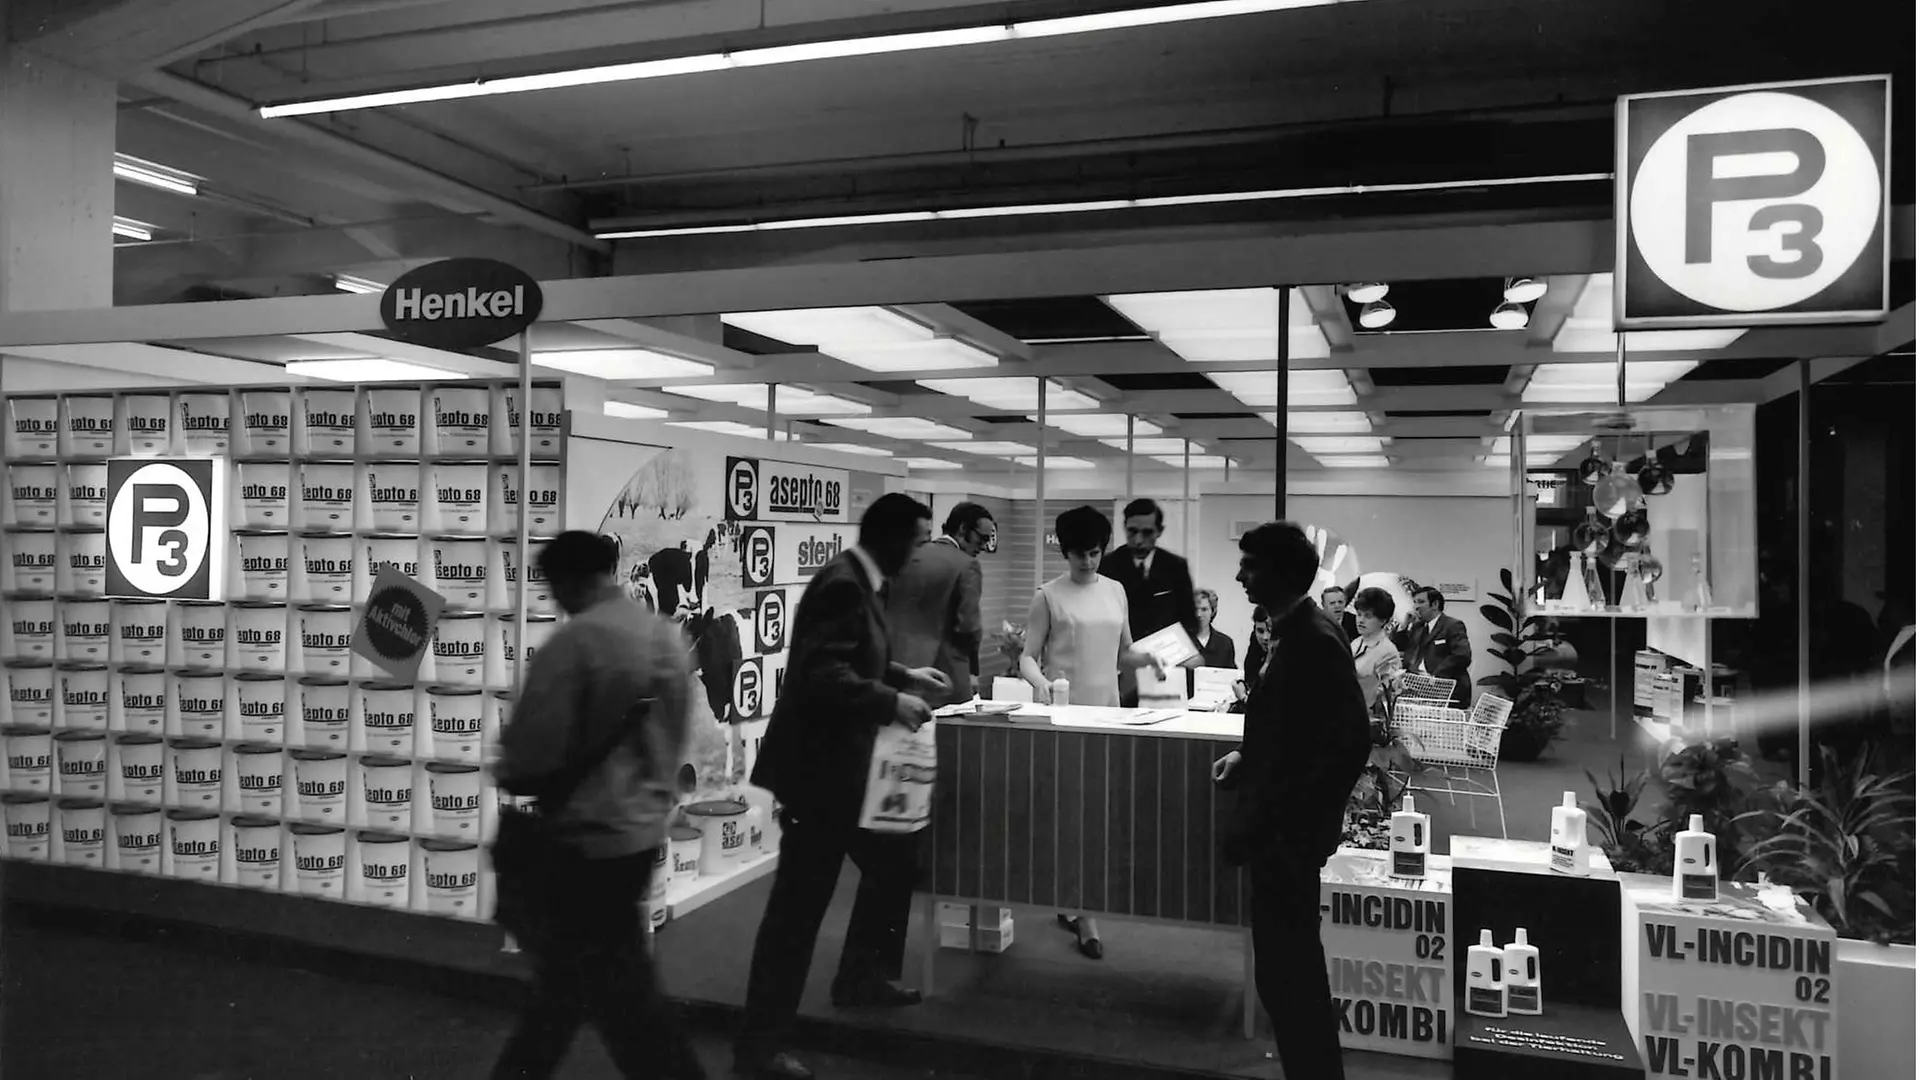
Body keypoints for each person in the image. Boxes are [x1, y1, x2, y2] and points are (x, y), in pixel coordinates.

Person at [734, 494, 953, 1080]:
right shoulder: (844, 583)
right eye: (918, 537)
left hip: (846, 776)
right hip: (819, 778)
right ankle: (758, 1050)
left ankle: (860, 977)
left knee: (894, 867)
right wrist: (892, 700)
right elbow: (818, 674)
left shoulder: (862, 579)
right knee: (796, 913)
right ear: (889, 536)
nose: (920, 551)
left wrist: (901, 674)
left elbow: (853, 657)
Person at [490, 532, 705, 1080]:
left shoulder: (575, 644)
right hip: (638, 834)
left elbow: (527, 755)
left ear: (566, 580)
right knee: (590, 985)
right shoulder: (665, 637)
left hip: (584, 839)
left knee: (594, 991)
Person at [1211, 522, 1371, 1080]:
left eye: (1250, 566)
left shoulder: (1314, 640)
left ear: (1279, 572)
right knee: (1284, 971)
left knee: (1291, 973)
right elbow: (1297, 729)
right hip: (1282, 832)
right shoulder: (1294, 631)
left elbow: (1350, 741)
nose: (1239, 576)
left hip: (1288, 837)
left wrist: (1297, 820)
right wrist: (1247, 759)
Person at [1020, 505, 1164, 959]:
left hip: (1109, 712)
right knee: (1074, 815)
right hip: (1066, 714)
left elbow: (1123, 652)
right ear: (1065, 552)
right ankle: (1084, 913)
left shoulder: (1116, 591)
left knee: (1100, 815)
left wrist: (1152, 658)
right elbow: (1027, 654)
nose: (1089, 562)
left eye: (1096, 553)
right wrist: (1040, 683)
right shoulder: (1049, 595)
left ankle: (1077, 902)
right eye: (1081, 554)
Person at [1099, 498, 1198, 706]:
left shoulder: (1175, 567)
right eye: (1132, 531)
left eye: (1146, 533)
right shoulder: (1108, 566)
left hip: (1166, 670)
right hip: (1121, 670)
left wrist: (1177, 653)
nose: (1138, 540)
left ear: (1159, 531)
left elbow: (1189, 619)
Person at [931, 502, 996, 681]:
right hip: (950, 669)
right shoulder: (966, 565)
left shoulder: (915, 556)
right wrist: (972, 671)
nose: (984, 547)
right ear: (962, 529)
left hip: (910, 666)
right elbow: (969, 624)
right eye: (982, 539)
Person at [1403, 586, 1473, 708]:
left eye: (1421, 602)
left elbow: (1462, 656)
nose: (1416, 607)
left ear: (1435, 604)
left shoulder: (1452, 625)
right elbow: (1399, 645)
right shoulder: (1417, 627)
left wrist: (1436, 677)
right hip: (1417, 686)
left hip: (1445, 688)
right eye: (1414, 602)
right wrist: (1404, 625)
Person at [1348, 586, 1405, 717]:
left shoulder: (1388, 652)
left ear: (1383, 620)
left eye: (1368, 616)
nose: (1360, 620)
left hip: (1367, 718)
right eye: (1359, 614)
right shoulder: (1356, 643)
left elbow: (1387, 697)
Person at [1192, 588, 1237, 670]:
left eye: (1204, 609)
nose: (1198, 614)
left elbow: (1230, 675)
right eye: (1195, 609)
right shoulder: (1182, 640)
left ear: (1212, 611)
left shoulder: (1225, 643)